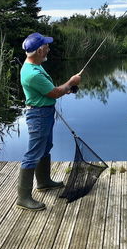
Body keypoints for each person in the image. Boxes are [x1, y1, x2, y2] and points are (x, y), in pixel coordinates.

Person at [17, 32, 81, 211]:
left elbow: (51, 91)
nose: (49, 48)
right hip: (38, 116)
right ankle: (23, 198)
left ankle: (44, 182)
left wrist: (66, 89)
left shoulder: (36, 66)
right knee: (33, 153)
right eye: (46, 46)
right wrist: (71, 82)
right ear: (39, 50)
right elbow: (53, 93)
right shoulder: (32, 73)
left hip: (44, 113)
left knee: (45, 147)